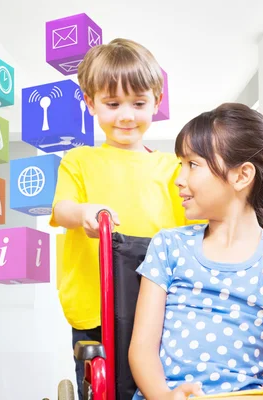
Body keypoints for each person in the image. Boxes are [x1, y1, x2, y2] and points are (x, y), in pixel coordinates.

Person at [128, 103, 263, 400]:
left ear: (242, 176)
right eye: (180, 164)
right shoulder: (168, 247)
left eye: (192, 164)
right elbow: (142, 350)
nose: (179, 178)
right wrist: (165, 396)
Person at [49, 38, 201, 400]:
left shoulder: (170, 166)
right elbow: (61, 210)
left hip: (162, 302)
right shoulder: (79, 160)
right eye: (112, 104)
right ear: (91, 103)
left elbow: (199, 216)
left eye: (138, 103)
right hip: (96, 303)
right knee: (105, 381)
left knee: (156, 381)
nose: (127, 116)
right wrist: (85, 212)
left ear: (156, 102)